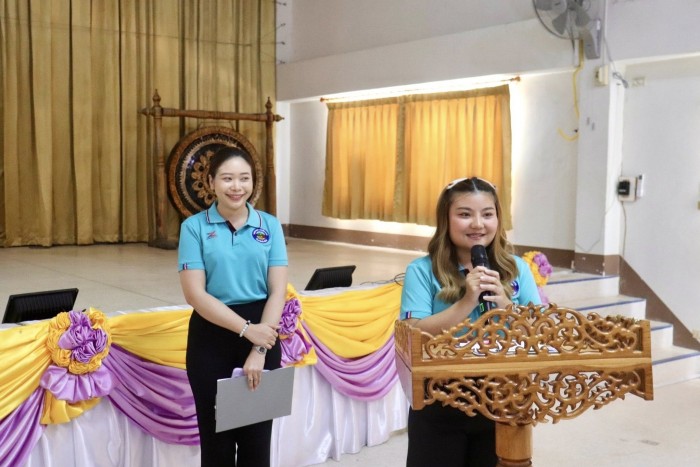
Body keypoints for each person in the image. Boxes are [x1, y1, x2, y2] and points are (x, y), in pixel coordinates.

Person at [399, 177, 541, 467]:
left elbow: (540, 327)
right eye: (465, 214)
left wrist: (505, 305)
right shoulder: (422, 270)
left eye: (487, 214)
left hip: (503, 396)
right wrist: (466, 302)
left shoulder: (516, 269)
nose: (478, 224)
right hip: (440, 398)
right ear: (446, 219)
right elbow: (413, 333)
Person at [178, 146, 288, 467]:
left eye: (244, 178)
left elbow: (277, 291)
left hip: (263, 335)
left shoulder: (269, 225)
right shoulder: (194, 227)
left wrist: (259, 348)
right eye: (227, 178)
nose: (236, 186)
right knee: (217, 447)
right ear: (211, 182)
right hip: (210, 338)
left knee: (257, 445)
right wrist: (247, 330)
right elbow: (195, 295)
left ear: (254, 181)